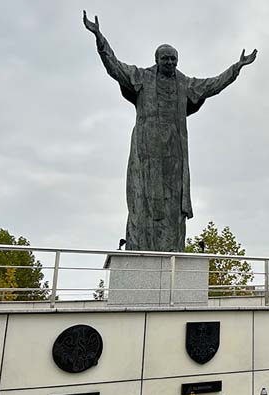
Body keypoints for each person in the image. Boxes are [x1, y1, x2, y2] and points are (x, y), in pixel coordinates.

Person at [83, 11, 257, 252]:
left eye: (174, 59)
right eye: (166, 59)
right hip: (146, 150)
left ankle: (172, 252)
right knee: (142, 199)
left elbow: (212, 85)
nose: (170, 63)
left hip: (174, 153)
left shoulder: (185, 83)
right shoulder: (141, 77)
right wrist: (99, 38)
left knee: (173, 206)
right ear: (157, 59)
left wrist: (236, 68)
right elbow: (114, 67)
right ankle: (140, 249)